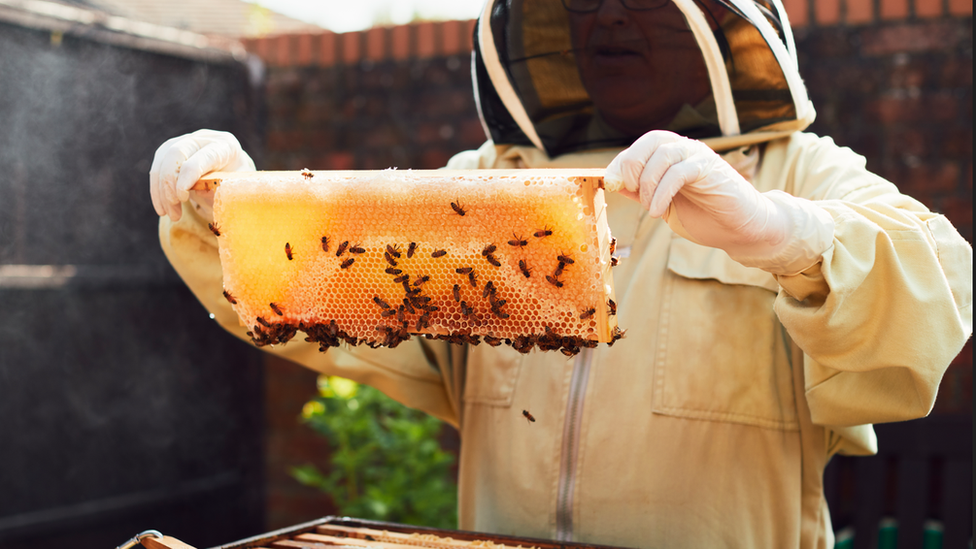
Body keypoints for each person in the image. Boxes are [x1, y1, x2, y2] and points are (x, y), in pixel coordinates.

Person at [150, 0, 972, 547]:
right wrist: (223, 206)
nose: (609, 13)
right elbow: (320, 290)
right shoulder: (488, 179)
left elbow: (940, 282)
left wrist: (782, 230)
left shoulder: (798, 170)